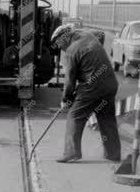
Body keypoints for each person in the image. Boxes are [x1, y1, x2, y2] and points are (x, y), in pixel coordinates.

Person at [51, 24, 121, 163]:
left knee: (75, 115)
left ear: (64, 38)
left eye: (59, 44)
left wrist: (66, 99)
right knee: (106, 118)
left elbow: (70, 81)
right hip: (110, 84)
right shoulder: (89, 36)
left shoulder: (71, 51)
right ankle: (113, 154)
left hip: (93, 87)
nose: (61, 49)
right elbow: (101, 33)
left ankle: (71, 152)